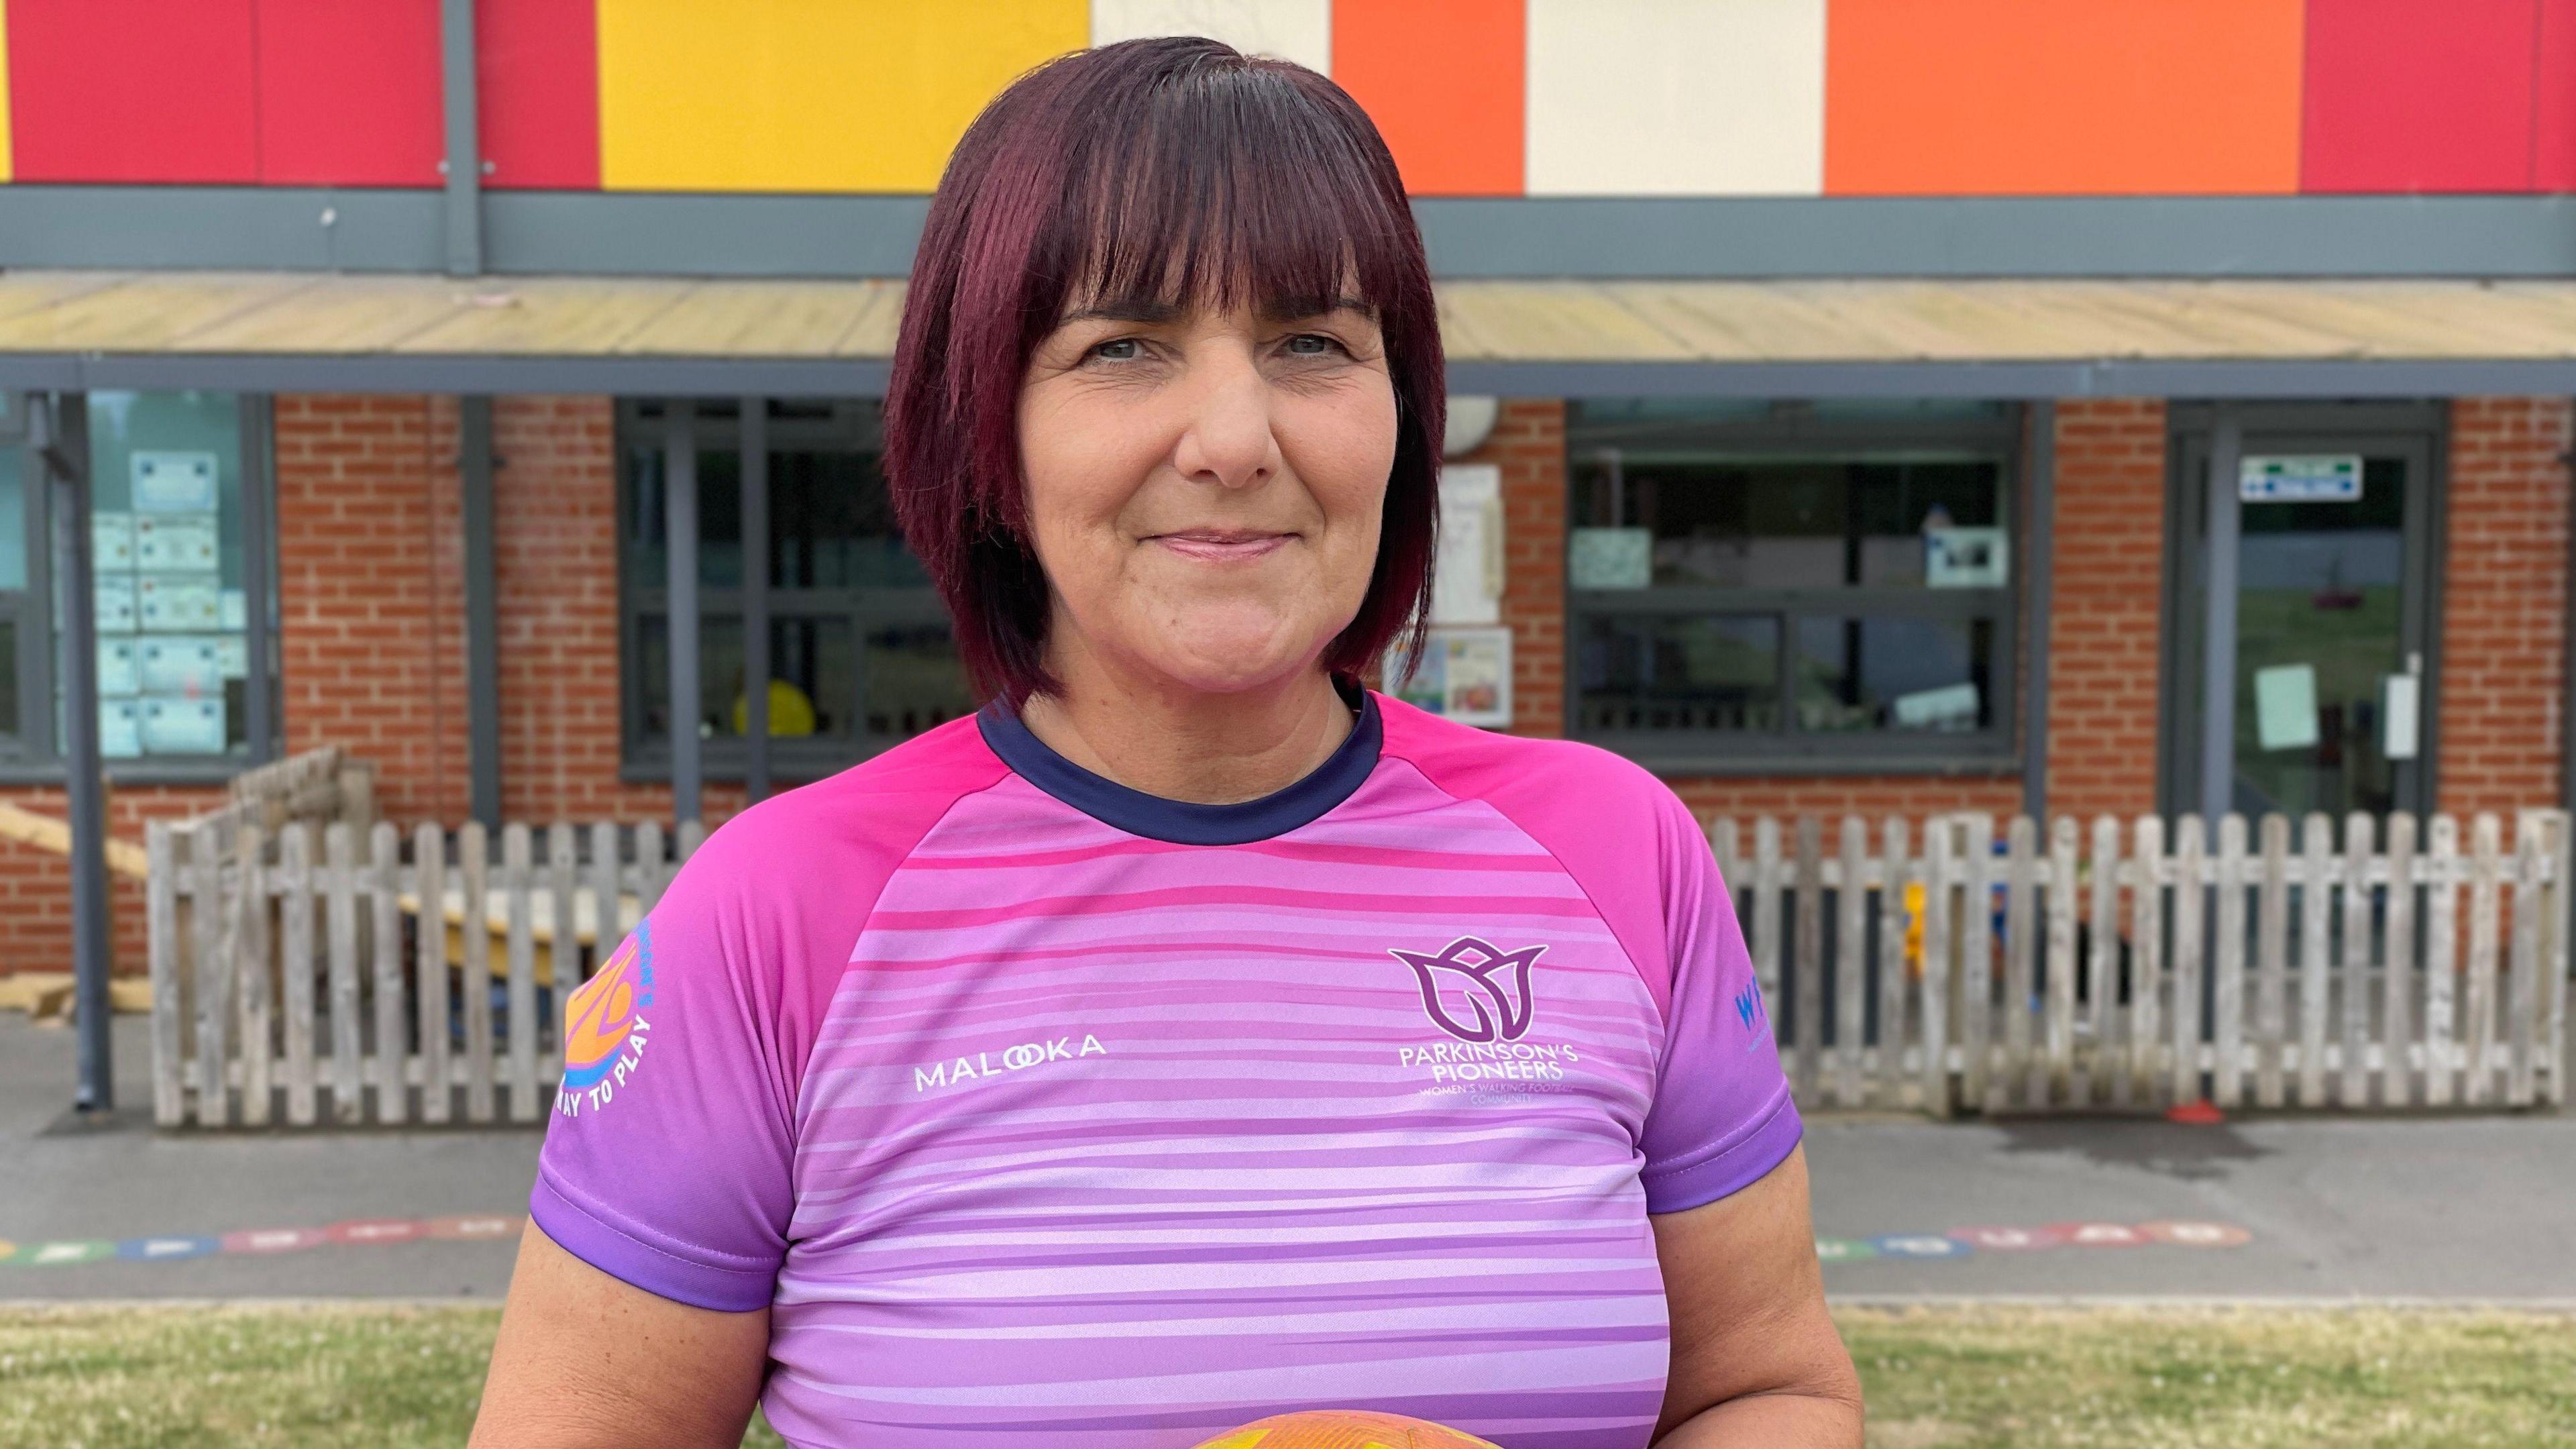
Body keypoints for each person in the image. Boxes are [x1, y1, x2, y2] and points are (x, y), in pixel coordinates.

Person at [470, 37, 1862, 1449]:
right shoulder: (778, 915)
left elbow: (1766, 1390)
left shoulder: (1615, 854)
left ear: (1404, 416)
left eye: (1312, 343)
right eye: (1122, 347)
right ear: (987, 432)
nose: (1232, 437)